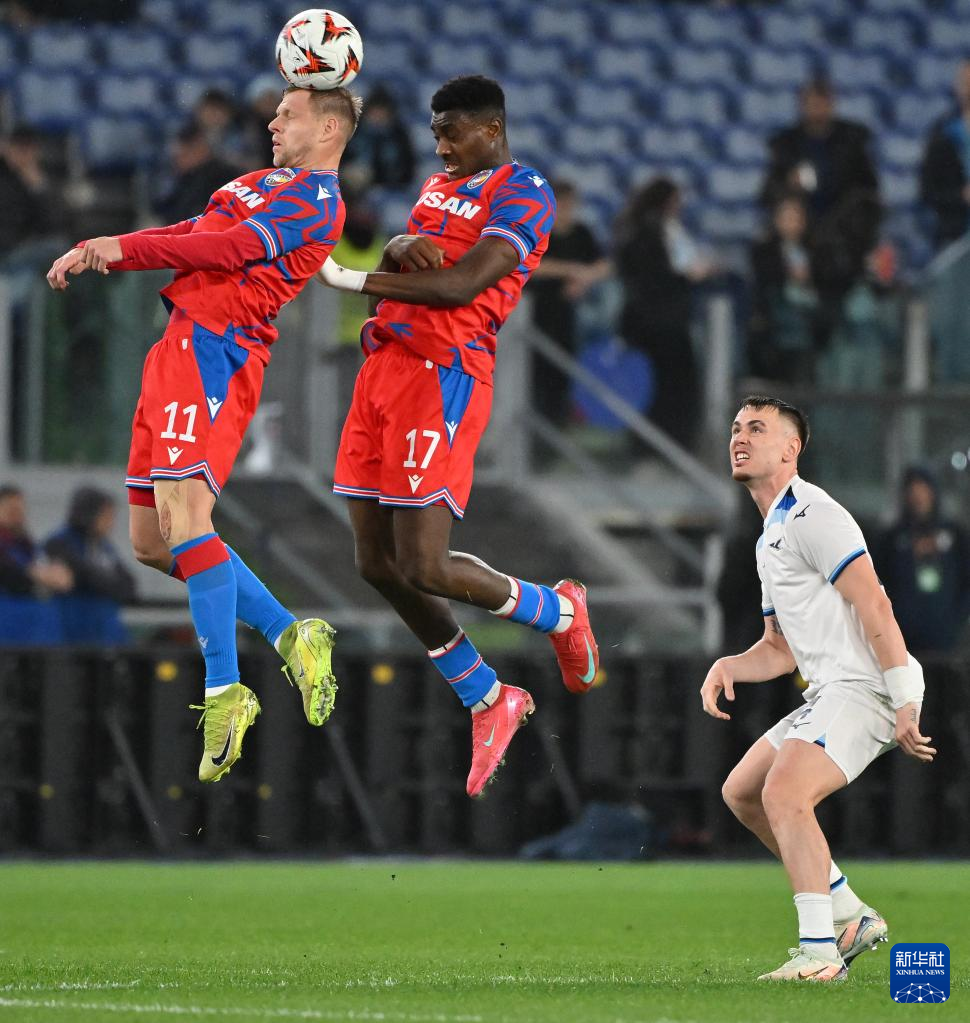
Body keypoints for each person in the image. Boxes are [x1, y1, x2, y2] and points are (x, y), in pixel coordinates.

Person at [44, 86, 361, 783]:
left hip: (218, 348)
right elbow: (193, 230)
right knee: (151, 542)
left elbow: (228, 249)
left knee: (189, 518)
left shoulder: (319, 202)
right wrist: (103, 250)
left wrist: (122, 247)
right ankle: (291, 635)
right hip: (177, 346)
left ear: (328, 128)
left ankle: (225, 689)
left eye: (288, 113)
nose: (272, 121)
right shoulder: (253, 182)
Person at [316, 75, 599, 799]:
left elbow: (458, 287)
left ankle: (559, 610)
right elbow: (414, 266)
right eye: (436, 133)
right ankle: (487, 696)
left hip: (442, 375)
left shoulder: (524, 191)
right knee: (376, 563)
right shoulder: (437, 189)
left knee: (426, 564)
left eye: (453, 132)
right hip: (382, 373)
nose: (441, 146)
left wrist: (350, 278)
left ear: (492, 129)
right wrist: (397, 246)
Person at [700, 396, 935, 982]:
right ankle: (849, 915)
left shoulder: (813, 514)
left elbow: (874, 601)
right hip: (832, 689)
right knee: (743, 793)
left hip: (869, 686)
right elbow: (779, 649)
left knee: (784, 793)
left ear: (791, 448)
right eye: (736, 427)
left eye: (757, 428)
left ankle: (820, 952)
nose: (740, 437)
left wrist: (904, 698)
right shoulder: (769, 536)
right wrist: (730, 665)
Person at [614, 177, 712, 449]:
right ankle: (665, 444)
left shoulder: (636, 228)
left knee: (652, 386)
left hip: (649, 320)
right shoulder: (652, 232)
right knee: (668, 387)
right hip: (661, 322)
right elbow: (655, 277)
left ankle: (653, 445)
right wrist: (687, 277)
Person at [528, 179, 611, 426]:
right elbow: (530, 266)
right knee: (535, 371)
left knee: (562, 371)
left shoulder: (582, 233)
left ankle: (559, 421)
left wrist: (584, 279)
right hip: (538, 310)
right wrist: (571, 270)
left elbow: (604, 264)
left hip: (568, 313)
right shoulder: (537, 231)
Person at [872, 466, 970, 653]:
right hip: (903, 641)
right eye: (914, 493)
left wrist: (957, 619)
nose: (919, 499)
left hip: (947, 641)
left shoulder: (955, 535)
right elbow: (877, 582)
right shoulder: (891, 539)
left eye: (923, 492)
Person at [43, 487, 136, 645]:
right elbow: (84, 577)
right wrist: (106, 582)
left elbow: (128, 584)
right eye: (106, 516)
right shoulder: (59, 543)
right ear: (89, 514)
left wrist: (102, 582)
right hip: (68, 627)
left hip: (101, 628)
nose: (110, 523)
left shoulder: (103, 547)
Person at [748, 192, 819, 382]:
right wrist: (789, 272)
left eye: (795, 218)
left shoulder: (814, 249)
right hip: (777, 323)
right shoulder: (764, 249)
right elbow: (765, 280)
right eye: (786, 218)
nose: (791, 223)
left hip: (808, 322)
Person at [0, 483, 73, 644]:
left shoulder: (25, 544)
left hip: (31, 628)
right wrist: (35, 574)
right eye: (12, 510)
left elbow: (43, 568)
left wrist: (51, 574)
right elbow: (10, 572)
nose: (17, 516)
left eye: (20, 510)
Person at [920, 60, 970, 251]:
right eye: (965, 81)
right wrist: (961, 196)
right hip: (954, 237)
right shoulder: (942, 132)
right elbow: (927, 190)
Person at [154, 123, 241, 227]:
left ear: (200, 148)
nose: (178, 161)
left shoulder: (225, 175)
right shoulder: (186, 177)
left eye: (184, 154)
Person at [342, 83, 416, 192]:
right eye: (375, 113)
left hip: (386, 186)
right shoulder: (353, 130)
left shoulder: (399, 136)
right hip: (348, 181)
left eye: (382, 114)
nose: (378, 118)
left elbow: (407, 168)